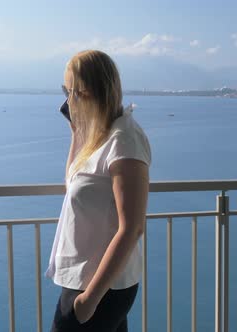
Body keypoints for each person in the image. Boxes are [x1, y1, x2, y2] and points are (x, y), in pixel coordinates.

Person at [46, 50, 151, 332]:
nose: (68, 100)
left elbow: (132, 227)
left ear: (88, 92)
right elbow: (73, 181)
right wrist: (77, 133)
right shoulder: (101, 136)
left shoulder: (124, 141)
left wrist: (89, 301)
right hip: (90, 281)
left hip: (98, 287)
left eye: (71, 92)